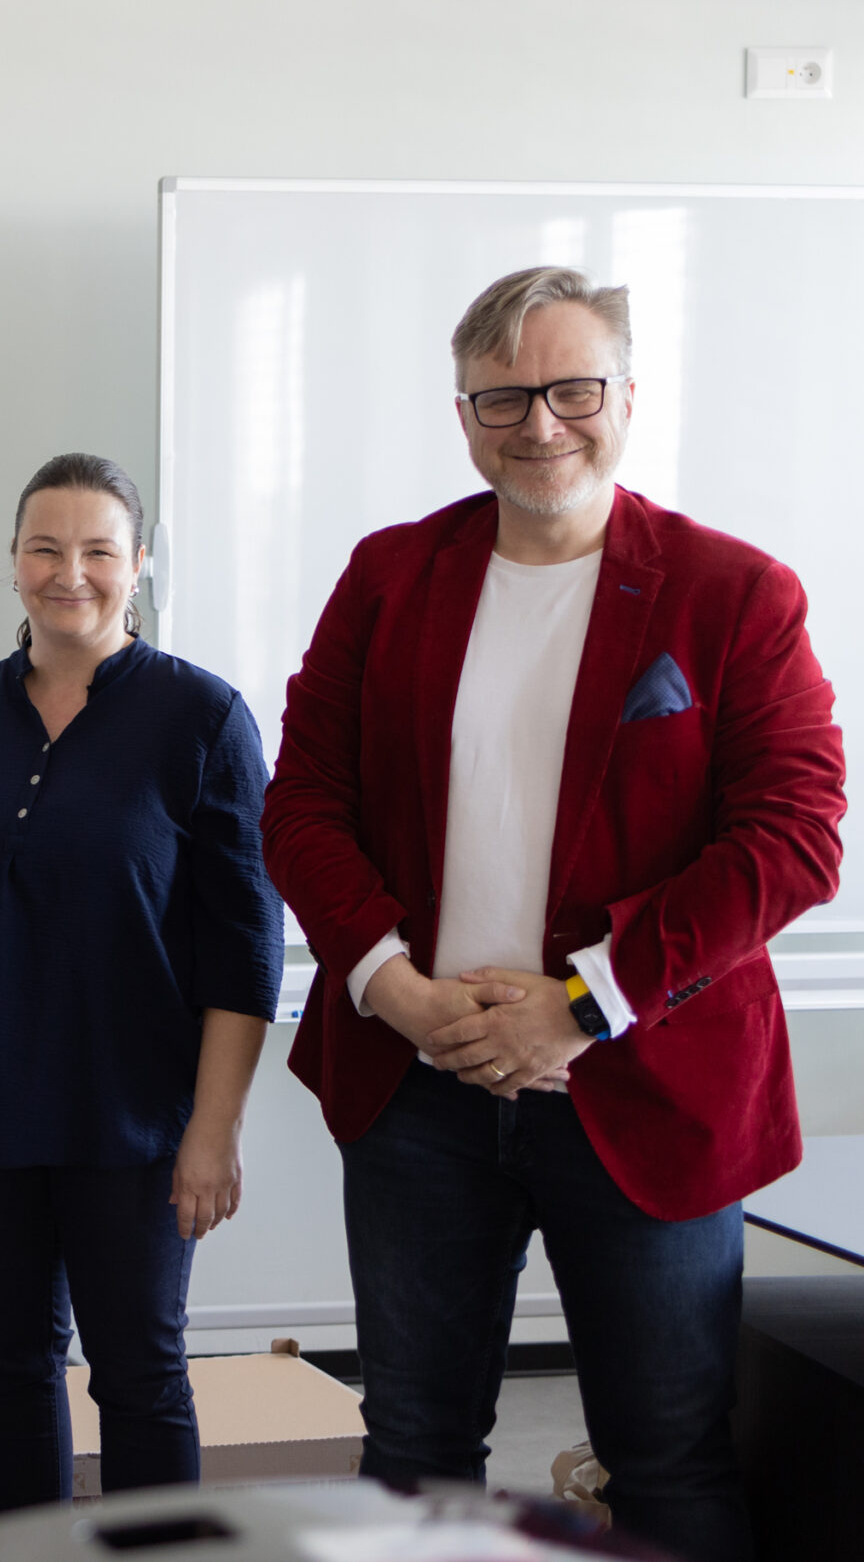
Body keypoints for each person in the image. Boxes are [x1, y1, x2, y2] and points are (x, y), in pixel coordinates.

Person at [263, 267, 845, 1562]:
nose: (540, 424)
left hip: (648, 1083)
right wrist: (392, 986)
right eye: (504, 398)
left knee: (669, 1456)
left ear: (627, 394)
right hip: (417, 1088)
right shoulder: (389, 576)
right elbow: (301, 801)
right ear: (464, 414)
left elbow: (796, 837)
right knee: (414, 1453)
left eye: (572, 389)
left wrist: (585, 1000)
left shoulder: (731, 591)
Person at [0, 453, 281, 1508]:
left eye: (98, 550)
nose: (70, 573)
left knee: (140, 1376)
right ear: (13, 561)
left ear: (138, 565)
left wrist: (214, 1129)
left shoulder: (202, 718)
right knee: (8, 1368)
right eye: (44, 548)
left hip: (135, 1121)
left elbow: (246, 946)